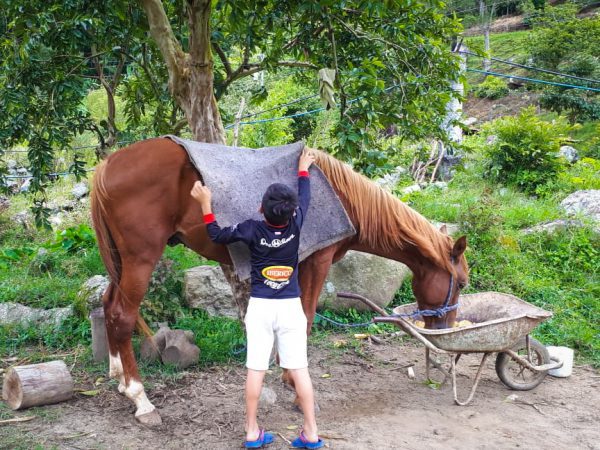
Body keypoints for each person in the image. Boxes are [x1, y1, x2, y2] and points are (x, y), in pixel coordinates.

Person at [190, 150, 324, 449]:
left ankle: (252, 431)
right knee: (299, 369)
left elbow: (216, 234)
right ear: (292, 212)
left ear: (261, 208)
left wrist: (205, 204)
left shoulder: (251, 229)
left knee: (256, 369)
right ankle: (311, 433)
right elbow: (305, 195)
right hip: (291, 308)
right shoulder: (296, 223)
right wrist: (303, 168)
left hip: (261, 307)